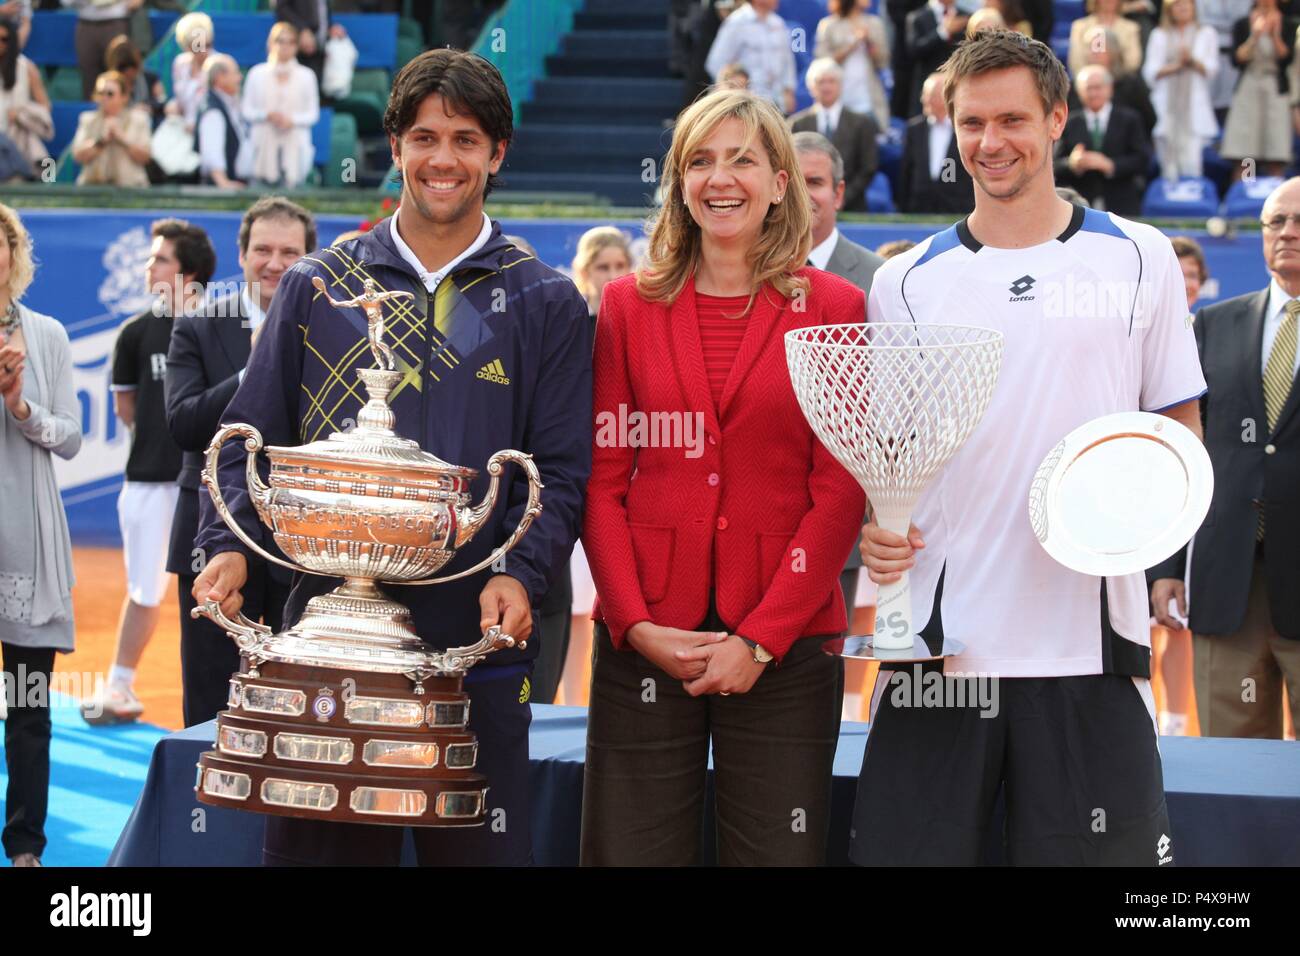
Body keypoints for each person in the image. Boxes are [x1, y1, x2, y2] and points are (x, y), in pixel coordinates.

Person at [191, 49, 592, 866]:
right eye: (425, 137)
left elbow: (562, 470)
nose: (444, 159)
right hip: (325, 646)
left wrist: (523, 573)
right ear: (396, 147)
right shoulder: (318, 285)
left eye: (467, 139)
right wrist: (229, 546)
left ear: (497, 154)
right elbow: (245, 439)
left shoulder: (546, 300)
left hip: (472, 651)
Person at [853, 30, 1206, 866]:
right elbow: (893, 463)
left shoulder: (1139, 256)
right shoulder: (905, 282)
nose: (990, 142)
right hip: (945, 645)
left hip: (1089, 642)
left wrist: (1139, 531)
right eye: (971, 123)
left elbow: (1178, 436)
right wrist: (880, 524)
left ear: (1056, 120)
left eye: (1011, 119)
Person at [580, 88, 867, 866]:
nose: (721, 178)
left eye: (743, 159)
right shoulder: (626, 307)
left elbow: (839, 489)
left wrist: (763, 640)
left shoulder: (837, 306)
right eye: (700, 161)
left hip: (786, 637)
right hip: (646, 635)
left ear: (781, 181)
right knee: (629, 851)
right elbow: (602, 480)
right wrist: (635, 624)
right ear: (678, 182)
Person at [1150, 179, 1300, 740]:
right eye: (1275, 221)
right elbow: (1180, 451)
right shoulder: (1215, 324)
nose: (1287, 232)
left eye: (1298, 221)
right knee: (1230, 772)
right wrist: (1165, 567)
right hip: (1226, 582)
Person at [164, 197, 313, 728]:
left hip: (303, 541)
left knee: (294, 703)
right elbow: (183, 423)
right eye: (263, 250)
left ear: (308, 258)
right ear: (242, 253)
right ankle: (203, 813)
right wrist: (256, 366)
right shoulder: (199, 327)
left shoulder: (327, 329)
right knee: (209, 703)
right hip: (213, 535)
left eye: (289, 252)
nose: (274, 263)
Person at [80, 219, 210, 725]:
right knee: (143, 587)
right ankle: (120, 688)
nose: (148, 266)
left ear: (189, 271)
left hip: (206, 483)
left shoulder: (220, 330)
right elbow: (128, 411)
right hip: (148, 482)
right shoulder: (134, 333)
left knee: (215, 589)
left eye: (160, 259)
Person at [0, 203, 83, 867]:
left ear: (14, 255)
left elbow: (72, 438)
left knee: (28, 707)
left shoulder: (47, 335)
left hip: (28, 545)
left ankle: (25, 847)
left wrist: (21, 405)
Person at [794, 130, 882, 673]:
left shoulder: (881, 280)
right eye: (795, 182)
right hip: (759, 507)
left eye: (817, 183)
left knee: (824, 668)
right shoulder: (741, 270)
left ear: (840, 192)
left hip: (846, 511)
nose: (806, 196)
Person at [1147, 234, 1204, 737]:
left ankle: (1176, 723)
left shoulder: (1202, 334)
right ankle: (1146, 719)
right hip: (1120, 494)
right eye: (1177, 271)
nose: (1182, 283)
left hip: (1169, 504)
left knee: (1177, 632)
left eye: (1191, 275)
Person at [1053, 65, 1152, 215]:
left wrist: (1111, 165)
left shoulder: (1129, 119)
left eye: (1098, 88)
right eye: (1088, 88)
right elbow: (1053, 163)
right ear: (1079, 92)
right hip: (1080, 204)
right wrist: (1071, 163)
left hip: (1122, 202)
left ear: (1109, 89)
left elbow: (1143, 158)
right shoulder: (1069, 123)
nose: (1093, 93)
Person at [1143, 0, 1220, 181]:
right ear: (1169, 10)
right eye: (1177, 4)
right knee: (1167, 164)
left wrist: (1191, 61)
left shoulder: (1207, 33)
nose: (1183, 8)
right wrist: (1177, 66)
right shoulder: (1159, 34)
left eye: (1187, 4)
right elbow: (1150, 72)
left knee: (1193, 162)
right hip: (1166, 108)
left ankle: (1191, 200)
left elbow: (1212, 69)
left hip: (1194, 108)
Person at [789, 57, 880, 211]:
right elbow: (791, 166)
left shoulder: (861, 123)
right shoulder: (797, 124)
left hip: (852, 208)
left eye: (831, 81)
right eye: (821, 82)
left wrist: (841, 197)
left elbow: (868, 167)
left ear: (840, 85)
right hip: (806, 208)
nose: (826, 87)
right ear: (811, 87)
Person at [1220, 0, 1294, 179]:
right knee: (1246, 152)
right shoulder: (1243, 23)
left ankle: (1276, 202)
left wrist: (1274, 35)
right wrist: (1254, 36)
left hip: (1275, 88)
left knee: (1276, 150)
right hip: (1249, 86)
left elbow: (1287, 59)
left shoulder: (1289, 23)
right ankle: (1245, 195)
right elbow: (1237, 60)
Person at [242, 21, 320, 188]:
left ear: (296, 46)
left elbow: (313, 114)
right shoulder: (256, 73)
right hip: (262, 144)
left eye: (290, 42)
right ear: (270, 43)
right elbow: (246, 110)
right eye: (280, 41)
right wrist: (266, 116)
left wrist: (291, 120)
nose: (285, 46)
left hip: (294, 143)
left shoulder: (307, 76)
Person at [898, 71, 974, 214]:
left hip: (955, 210)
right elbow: (906, 172)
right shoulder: (914, 130)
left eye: (930, 95)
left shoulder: (964, 128)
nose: (924, 100)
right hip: (918, 210)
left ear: (945, 97)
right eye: (924, 95)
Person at [705, 0, 798, 113]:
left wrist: (788, 90)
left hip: (776, 103)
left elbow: (787, 61)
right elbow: (716, 62)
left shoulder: (778, 23)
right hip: (746, 106)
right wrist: (732, 90)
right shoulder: (737, 22)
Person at [814, 0, 891, 131]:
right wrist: (852, 45)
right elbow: (822, 63)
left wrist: (868, 42)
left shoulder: (874, 23)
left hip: (869, 101)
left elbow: (883, 62)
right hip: (840, 99)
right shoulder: (829, 25)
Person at [1067, 26, 1157, 135]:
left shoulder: (1131, 84)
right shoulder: (1076, 85)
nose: (1094, 52)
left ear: (1113, 50)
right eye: (1089, 47)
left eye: (1099, 46)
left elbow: (1149, 119)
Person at [70, 70, 152, 187]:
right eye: (100, 93)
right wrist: (101, 141)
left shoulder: (139, 120)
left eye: (110, 94)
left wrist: (122, 138)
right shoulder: (87, 119)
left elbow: (145, 157)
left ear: (124, 97)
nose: (104, 98)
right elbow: (78, 155)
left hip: (131, 190)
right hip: (93, 189)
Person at [0, 15, 50, 177]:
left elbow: (45, 108)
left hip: (18, 139)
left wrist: (22, 115)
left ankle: (43, 180)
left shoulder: (26, 68)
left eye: (4, 39)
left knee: (47, 168)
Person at [196, 54, 253, 188]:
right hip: (223, 189)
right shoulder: (213, 110)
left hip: (238, 182)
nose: (239, 78)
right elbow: (212, 151)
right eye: (235, 73)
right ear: (220, 77)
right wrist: (222, 182)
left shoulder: (230, 104)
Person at [61, 0, 137, 100]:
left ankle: (123, 113)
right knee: (89, 79)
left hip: (116, 20)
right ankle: (94, 114)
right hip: (86, 21)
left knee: (120, 76)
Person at [904, 0, 966, 116]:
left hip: (958, 88)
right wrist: (943, 32)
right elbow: (914, 51)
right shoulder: (918, 17)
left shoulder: (965, 17)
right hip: (927, 87)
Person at [1070, 0, 1146, 76]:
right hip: (1088, 81)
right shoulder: (1079, 26)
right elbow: (1076, 62)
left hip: (1120, 81)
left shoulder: (1131, 28)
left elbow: (1133, 63)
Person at [170, 11, 214, 130]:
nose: (200, 49)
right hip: (183, 129)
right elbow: (180, 101)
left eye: (205, 44)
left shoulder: (217, 64)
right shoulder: (180, 64)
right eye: (194, 45)